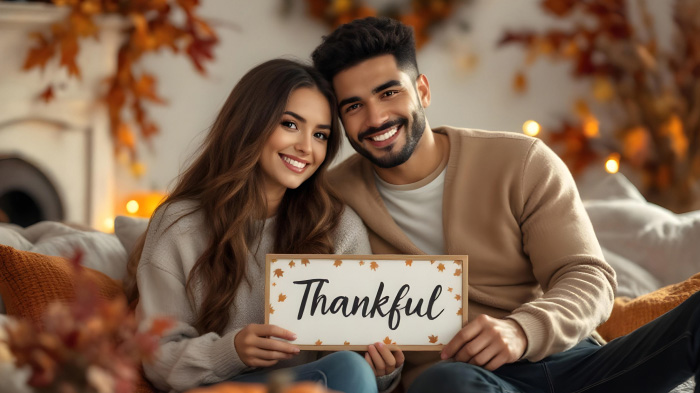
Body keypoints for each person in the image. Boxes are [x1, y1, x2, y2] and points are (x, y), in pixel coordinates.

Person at [311, 16, 700, 393]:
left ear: (422, 91)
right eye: (354, 106)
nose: (376, 117)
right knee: (444, 382)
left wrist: (520, 330)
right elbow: (324, 321)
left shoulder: (522, 160)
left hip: (571, 364)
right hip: (460, 379)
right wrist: (378, 369)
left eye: (389, 92)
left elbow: (588, 278)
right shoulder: (330, 200)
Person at [124, 59, 402, 393]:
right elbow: (157, 358)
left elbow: (350, 362)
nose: (306, 147)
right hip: (217, 388)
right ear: (250, 123)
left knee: (350, 367)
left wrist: (381, 369)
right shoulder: (180, 224)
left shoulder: (339, 227)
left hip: (315, 385)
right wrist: (233, 351)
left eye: (320, 135)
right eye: (289, 124)